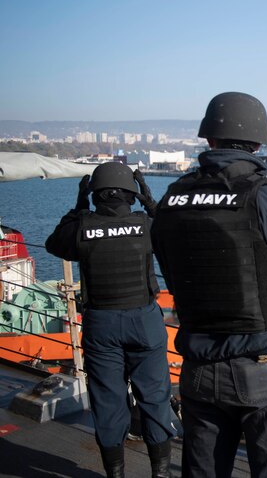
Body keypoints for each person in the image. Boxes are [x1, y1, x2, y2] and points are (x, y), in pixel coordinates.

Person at [150, 92, 267, 477]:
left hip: (198, 368)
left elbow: (173, 275)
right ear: (258, 142)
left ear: (209, 140)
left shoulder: (171, 200)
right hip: (265, 368)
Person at [45, 162, 175, 478]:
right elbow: (174, 233)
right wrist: (149, 200)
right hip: (143, 321)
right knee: (155, 396)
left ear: (95, 194)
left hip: (100, 324)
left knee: (107, 399)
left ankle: (115, 474)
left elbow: (54, 243)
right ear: (131, 193)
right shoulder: (146, 225)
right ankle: (160, 473)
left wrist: (78, 206)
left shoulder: (81, 228)